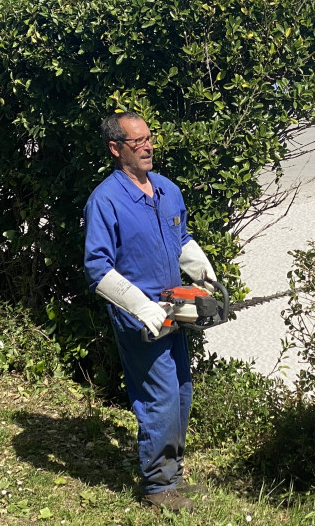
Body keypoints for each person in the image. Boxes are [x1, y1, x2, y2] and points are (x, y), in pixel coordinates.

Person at [83, 112, 216, 514]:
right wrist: (142, 307)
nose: (147, 146)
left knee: (181, 393)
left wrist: (204, 272)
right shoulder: (105, 200)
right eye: (137, 141)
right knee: (158, 398)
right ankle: (158, 488)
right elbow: (97, 268)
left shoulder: (167, 190)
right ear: (116, 148)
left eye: (149, 139)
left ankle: (172, 477)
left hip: (176, 311)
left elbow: (182, 238)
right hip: (139, 319)